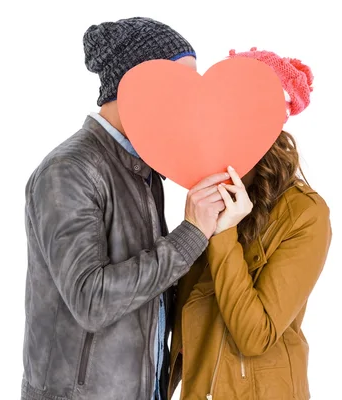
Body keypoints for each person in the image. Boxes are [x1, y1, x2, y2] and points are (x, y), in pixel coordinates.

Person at [20, 17, 228, 400]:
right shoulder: (69, 170)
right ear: (136, 85)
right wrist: (191, 234)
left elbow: (152, 287)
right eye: (178, 88)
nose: (189, 104)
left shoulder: (144, 169)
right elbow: (92, 300)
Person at [168, 48, 332, 400]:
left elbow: (255, 335)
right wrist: (192, 230)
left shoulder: (306, 214)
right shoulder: (210, 191)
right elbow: (181, 310)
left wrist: (224, 233)